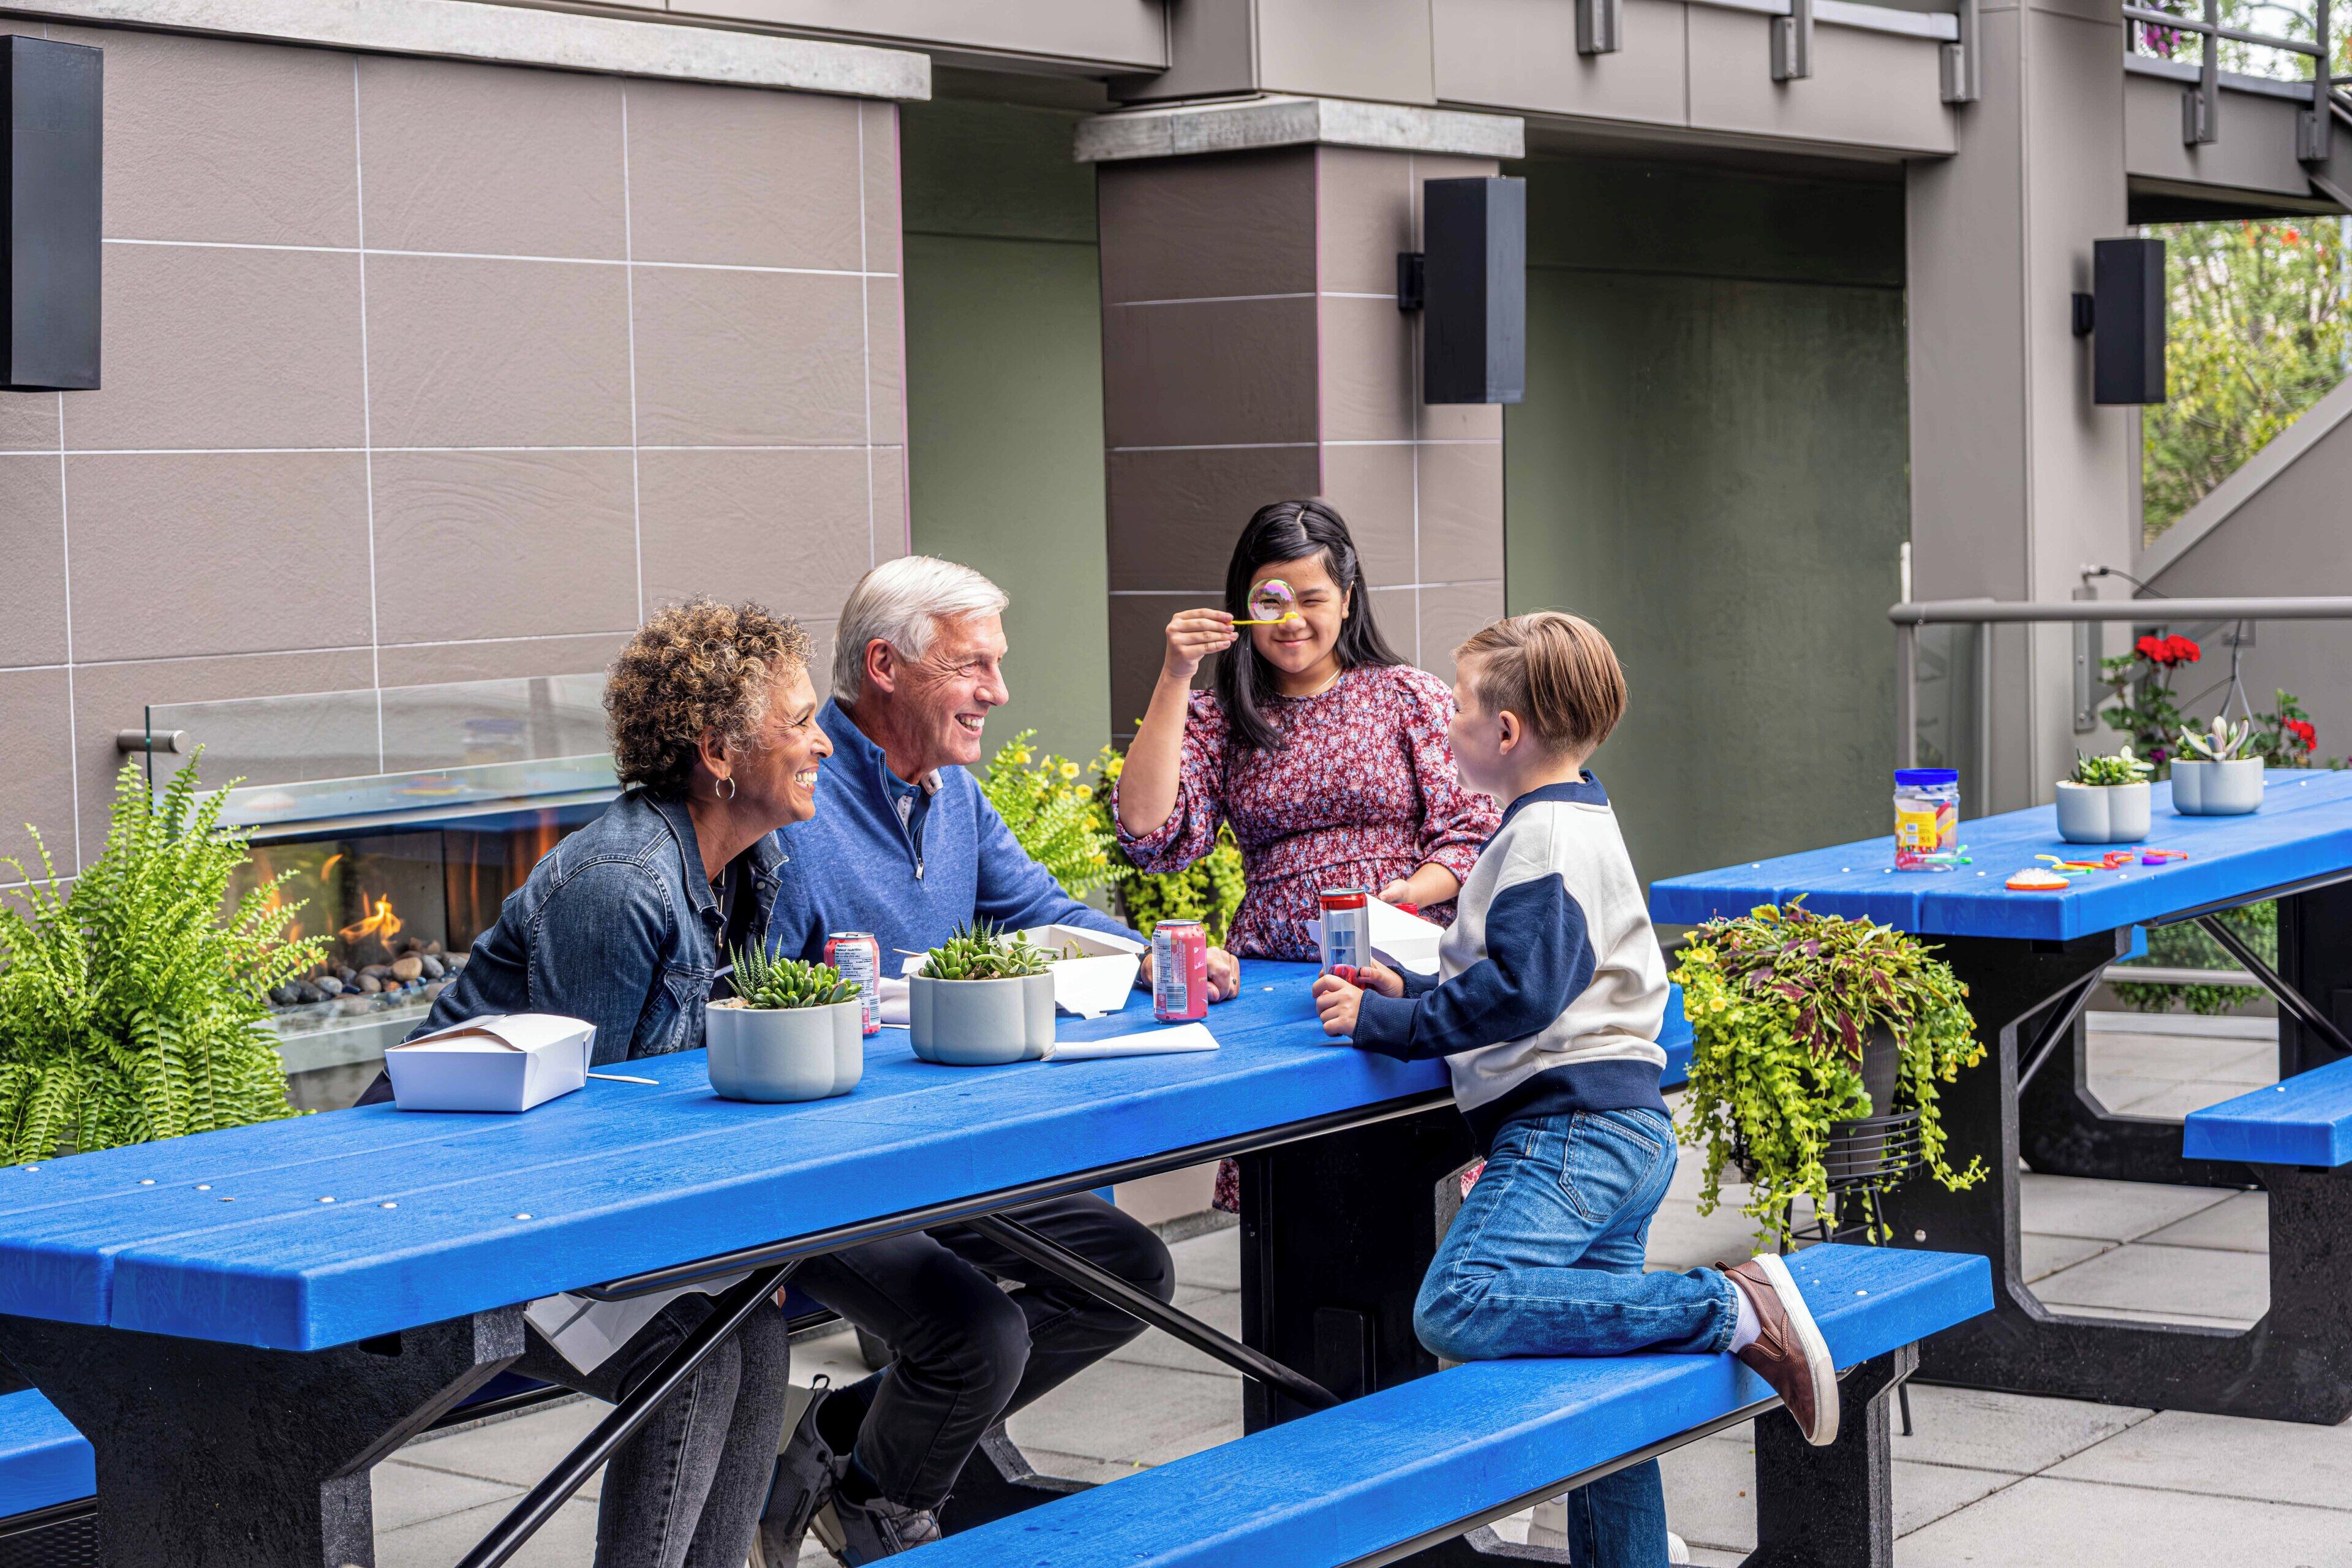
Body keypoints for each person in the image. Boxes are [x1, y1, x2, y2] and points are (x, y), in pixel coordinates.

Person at [1309, 612, 1840, 1568]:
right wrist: (1417, 988)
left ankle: (1730, 1308)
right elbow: (1532, 975)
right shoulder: (1572, 817)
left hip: (1567, 1134)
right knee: (1592, 1372)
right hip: (1614, 1128)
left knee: (1458, 1302)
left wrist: (1390, 1024)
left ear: (1506, 732)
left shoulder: (1539, 839)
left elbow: (1525, 993)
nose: (1447, 724)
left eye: (1459, 707)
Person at [757, 556, 1237, 1566]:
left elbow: (1043, 912)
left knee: (1129, 1271)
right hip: (824, 1166)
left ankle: (843, 1441)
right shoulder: (797, 801)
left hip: (944, 1150)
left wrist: (1156, 956)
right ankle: (881, 1510)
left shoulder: (954, 797)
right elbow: (755, 999)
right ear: (885, 667)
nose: (999, 692)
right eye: (972, 666)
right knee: (981, 1337)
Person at [412, 598, 827, 1568]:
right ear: (718, 752)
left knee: (754, 1334)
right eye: (802, 722)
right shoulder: (622, 881)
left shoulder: (752, 868)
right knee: (696, 1355)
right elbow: (587, 1127)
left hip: (568, 1193)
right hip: (471, 1210)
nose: (823, 744)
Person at [1115, 497, 1499, 1210]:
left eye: (1313, 598)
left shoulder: (1407, 696)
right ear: (1242, 607)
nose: (1291, 620)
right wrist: (1175, 674)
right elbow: (1150, 834)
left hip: (1399, 978)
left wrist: (1409, 894)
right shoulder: (1219, 717)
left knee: (1413, 1185)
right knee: (1294, 1201)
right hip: (1272, 992)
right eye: (1272, 601)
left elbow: (1473, 828)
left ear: (1348, 599)